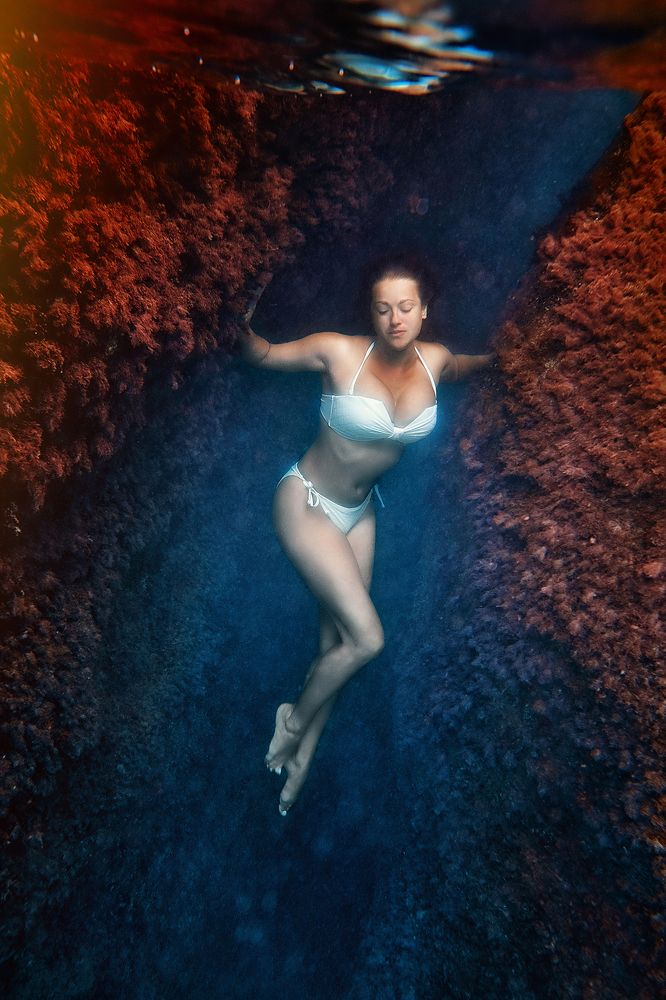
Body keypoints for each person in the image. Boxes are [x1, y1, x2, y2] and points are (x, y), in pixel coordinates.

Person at [240, 253, 494, 816]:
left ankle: (302, 759)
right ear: (371, 313)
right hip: (306, 501)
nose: (394, 319)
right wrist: (237, 313)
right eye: (383, 309)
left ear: (424, 311)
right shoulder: (338, 351)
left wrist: (512, 355)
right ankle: (292, 722)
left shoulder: (435, 360)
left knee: (337, 649)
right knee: (367, 640)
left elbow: (466, 366)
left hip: (361, 513)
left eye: (405, 307)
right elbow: (262, 354)